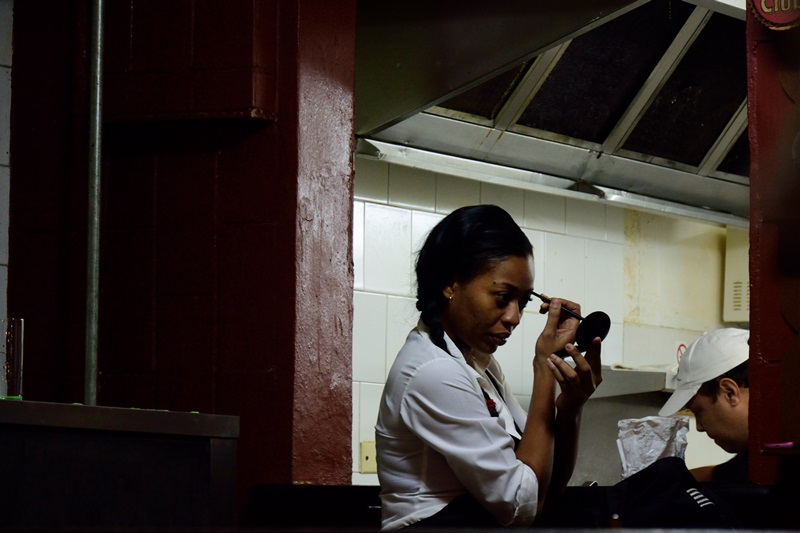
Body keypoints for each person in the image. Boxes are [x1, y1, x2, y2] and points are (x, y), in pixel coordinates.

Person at [375, 204, 603, 530]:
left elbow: (544, 489)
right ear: (450, 284)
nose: (514, 318)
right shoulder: (434, 371)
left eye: (522, 302)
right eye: (501, 297)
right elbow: (521, 507)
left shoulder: (479, 366)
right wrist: (544, 367)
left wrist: (569, 410)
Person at [658, 328, 750, 483]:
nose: (699, 427)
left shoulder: (786, 453)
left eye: (699, 412)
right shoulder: (756, 455)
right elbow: (722, 474)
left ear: (729, 393)